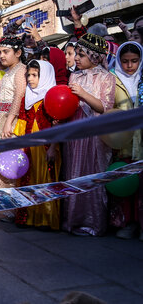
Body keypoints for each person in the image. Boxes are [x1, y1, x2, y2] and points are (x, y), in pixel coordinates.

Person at [63, 33, 115, 236]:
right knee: (74, 171)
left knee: (92, 171)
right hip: (76, 130)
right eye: (76, 53)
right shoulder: (74, 75)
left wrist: (83, 94)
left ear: (94, 56)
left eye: (81, 54)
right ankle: (73, 220)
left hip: (94, 133)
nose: (76, 58)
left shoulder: (107, 77)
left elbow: (104, 107)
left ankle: (93, 222)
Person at [13, 60, 61, 230]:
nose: (30, 78)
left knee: (45, 179)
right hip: (28, 147)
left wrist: (54, 147)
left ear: (45, 76)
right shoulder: (27, 96)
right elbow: (21, 121)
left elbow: (58, 126)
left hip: (45, 147)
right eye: (29, 75)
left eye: (35, 75)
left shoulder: (52, 96)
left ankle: (45, 219)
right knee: (28, 179)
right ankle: (28, 218)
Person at [109, 41, 143, 239]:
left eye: (134, 61)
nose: (130, 66)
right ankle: (126, 223)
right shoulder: (113, 79)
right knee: (124, 181)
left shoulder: (142, 79)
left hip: (141, 139)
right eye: (125, 61)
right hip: (121, 141)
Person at [0, 35, 27, 191]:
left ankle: (9, 208)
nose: (1, 55)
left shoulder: (21, 70)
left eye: (6, 51)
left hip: (9, 122)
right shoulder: (8, 71)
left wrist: (8, 121)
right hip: (0, 120)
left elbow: (19, 96)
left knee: (7, 161)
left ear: (18, 53)